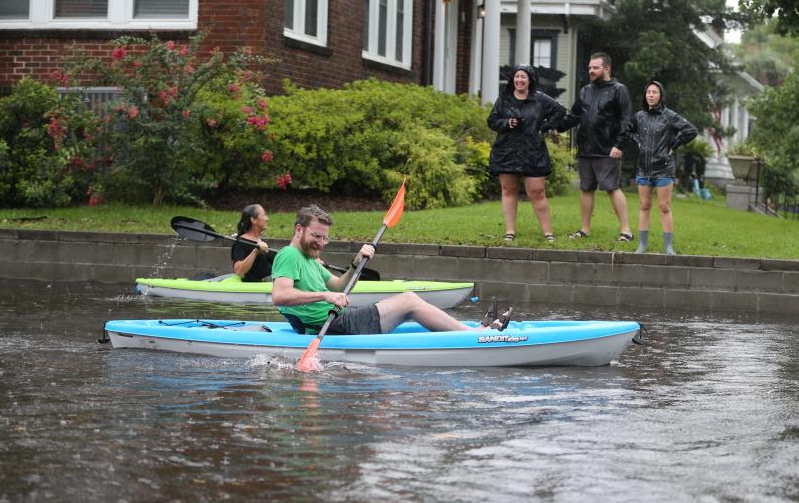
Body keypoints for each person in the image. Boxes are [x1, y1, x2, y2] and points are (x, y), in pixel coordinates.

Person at [270, 205, 512, 335]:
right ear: (298, 229)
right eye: (316, 236)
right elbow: (280, 296)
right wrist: (325, 296)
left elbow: (338, 286)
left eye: (325, 239)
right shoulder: (289, 255)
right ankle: (473, 335)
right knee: (408, 301)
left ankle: (471, 331)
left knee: (408, 306)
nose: (321, 243)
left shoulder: (310, 259)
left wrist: (355, 263)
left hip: (338, 319)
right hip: (331, 325)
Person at [487, 65, 568, 243]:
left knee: (537, 191)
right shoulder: (504, 99)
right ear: (512, 80)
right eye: (517, 77)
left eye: (523, 77)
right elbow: (492, 121)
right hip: (507, 150)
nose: (520, 80)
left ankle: (548, 233)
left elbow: (561, 111)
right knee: (508, 190)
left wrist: (545, 126)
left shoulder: (540, 99)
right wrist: (506, 122)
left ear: (530, 80)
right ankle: (510, 231)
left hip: (533, 150)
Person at [558, 52, 634, 242]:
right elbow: (574, 116)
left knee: (612, 188)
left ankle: (626, 231)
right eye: (590, 67)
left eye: (595, 68)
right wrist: (555, 125)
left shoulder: (619, 90)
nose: (591, 71)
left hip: (609, 148)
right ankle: (585, 229)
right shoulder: (585, 91)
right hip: (585, 148)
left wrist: (620, 144)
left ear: (606, 68)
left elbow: (626, 120)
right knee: (586, 188)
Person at [619, 81, 698, 255]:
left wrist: (675, 145)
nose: (651, 95)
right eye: (648, 92)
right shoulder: (639, 116)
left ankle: (668, 247)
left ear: (661, 95)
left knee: (664, 207)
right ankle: (642, 245)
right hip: (643, 169)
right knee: (644, 205)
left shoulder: (670, 116)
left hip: (664, 168)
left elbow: (691, 131)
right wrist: (637, 141)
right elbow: (626, 130)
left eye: (655, 92)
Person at [231, 204, 272, 282]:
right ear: (253, 220)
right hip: (255, 290)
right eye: (264, 215)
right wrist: (255, 251)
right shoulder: (240, 243)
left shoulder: (262, 243)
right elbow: (239, 271)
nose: (267, 219)